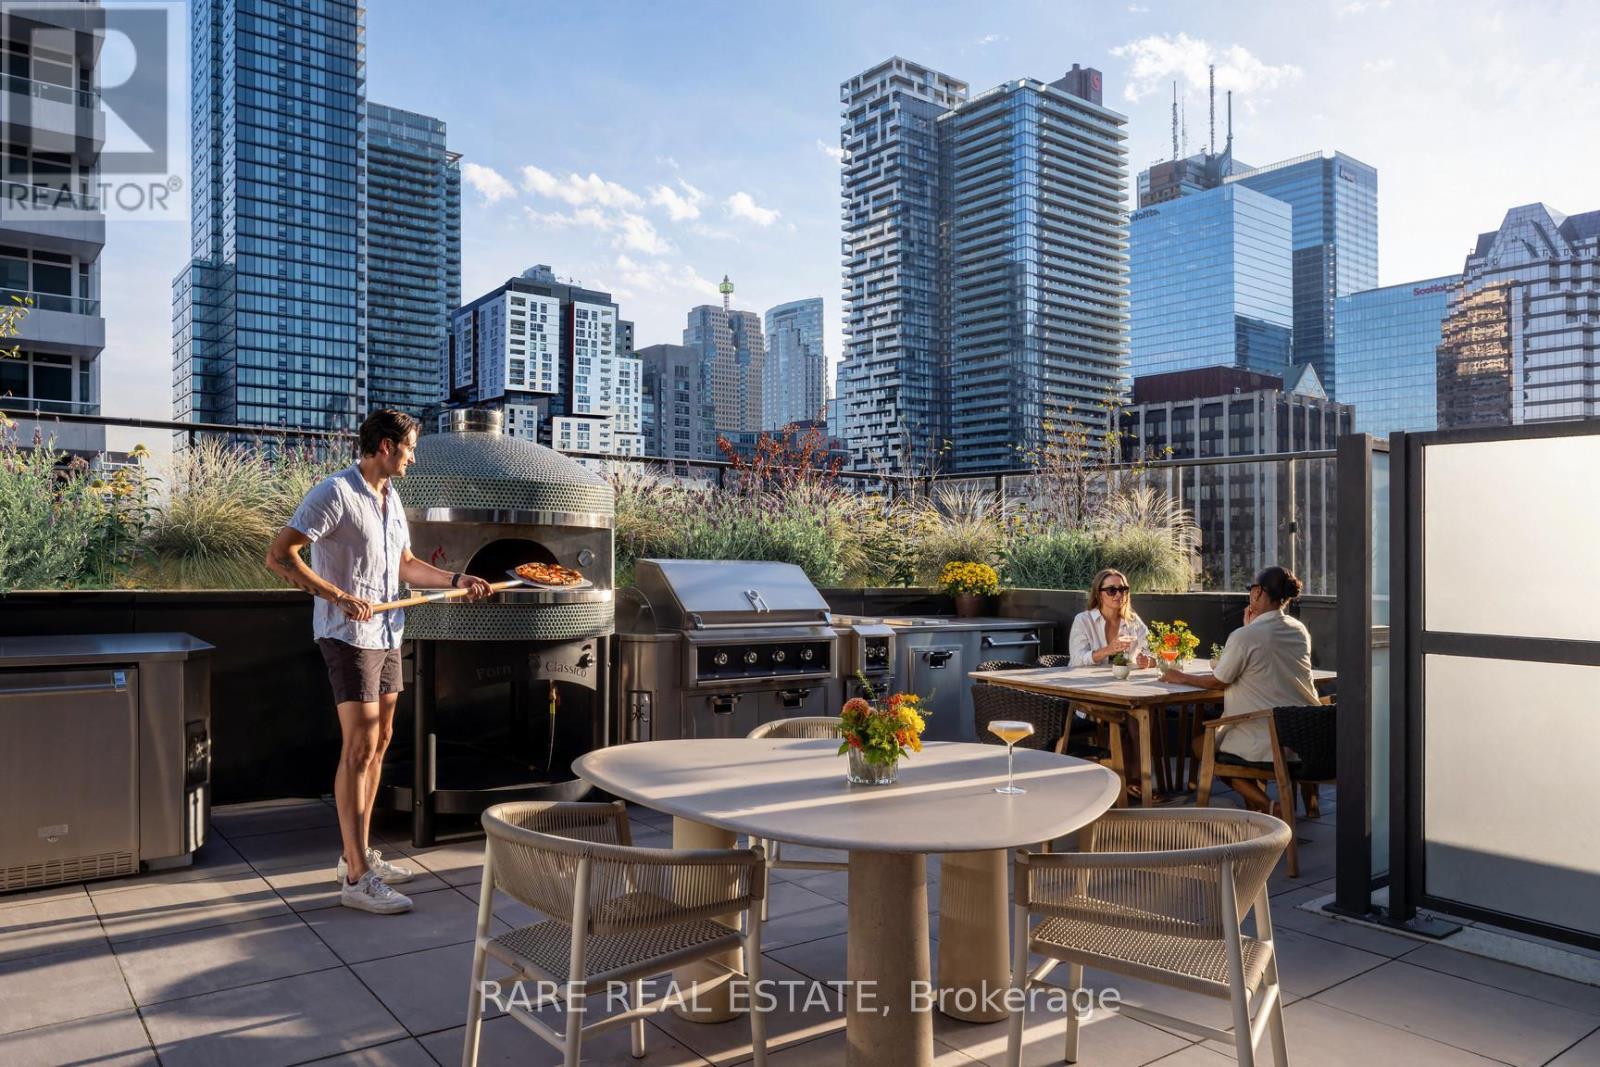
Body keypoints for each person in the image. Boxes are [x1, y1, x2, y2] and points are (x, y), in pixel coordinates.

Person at [266, 410, 491, 914]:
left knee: (381, 741)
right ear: (386, 446)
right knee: (359, 747)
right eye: (410, 447)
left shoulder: (391, 498)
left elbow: (406, 564)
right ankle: (355, 876)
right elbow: (280, 555)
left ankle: (358, 852)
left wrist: (457, 581)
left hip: (388, 631)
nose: (413, 456)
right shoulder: (336, 493)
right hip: (348, 636)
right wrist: (337, 595)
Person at [1161, 565, 1319, 813]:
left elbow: (1218, 681)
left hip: (1265, 735)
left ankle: (1268, 806)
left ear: (1257, 593)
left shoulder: (1245, 636)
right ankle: (1287, 807)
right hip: (1305, 734)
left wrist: (1179, 676)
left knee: (1202, 747)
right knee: (1224, 741)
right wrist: (1249, 628)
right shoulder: (1299, 630)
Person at [1067, 568, 1155, 668]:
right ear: (1099, 594)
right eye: (1111, 590)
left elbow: (1153, 655)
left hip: (1123, 682)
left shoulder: (1133, 620)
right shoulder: (1083, 620)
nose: (1118, 594)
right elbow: (1076, 660)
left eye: (1122, 589)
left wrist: (1147, 661)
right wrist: (1109, 650)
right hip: (1084, 681)